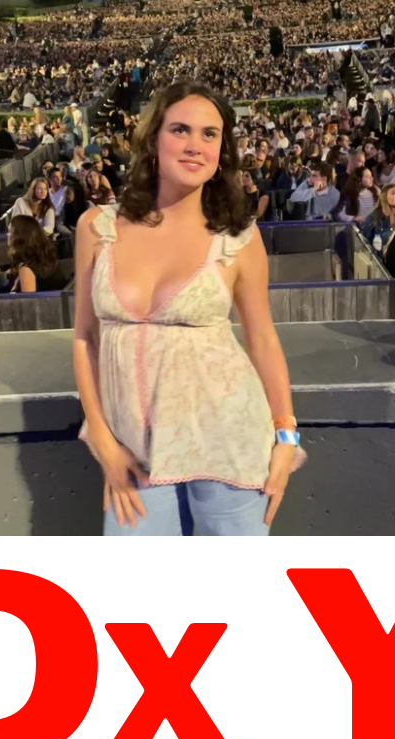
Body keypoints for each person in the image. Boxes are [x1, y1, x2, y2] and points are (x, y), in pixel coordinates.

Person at [73, 81, 303, 536]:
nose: (195, 145)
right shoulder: (96, 228)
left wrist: (286, 437)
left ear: (222, 149)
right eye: (181, 130)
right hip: (136, 454)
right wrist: (102, 440)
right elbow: (85, 337)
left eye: (210, 134)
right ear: (153, 138)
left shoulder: (239, 237)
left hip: (231, 443)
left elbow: (261, 338)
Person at [10, 215, 70, 292]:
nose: (7, 235)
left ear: (20, 237)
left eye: (10, 232)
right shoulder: (48, 260)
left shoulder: (26, 268)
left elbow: (28, 302)